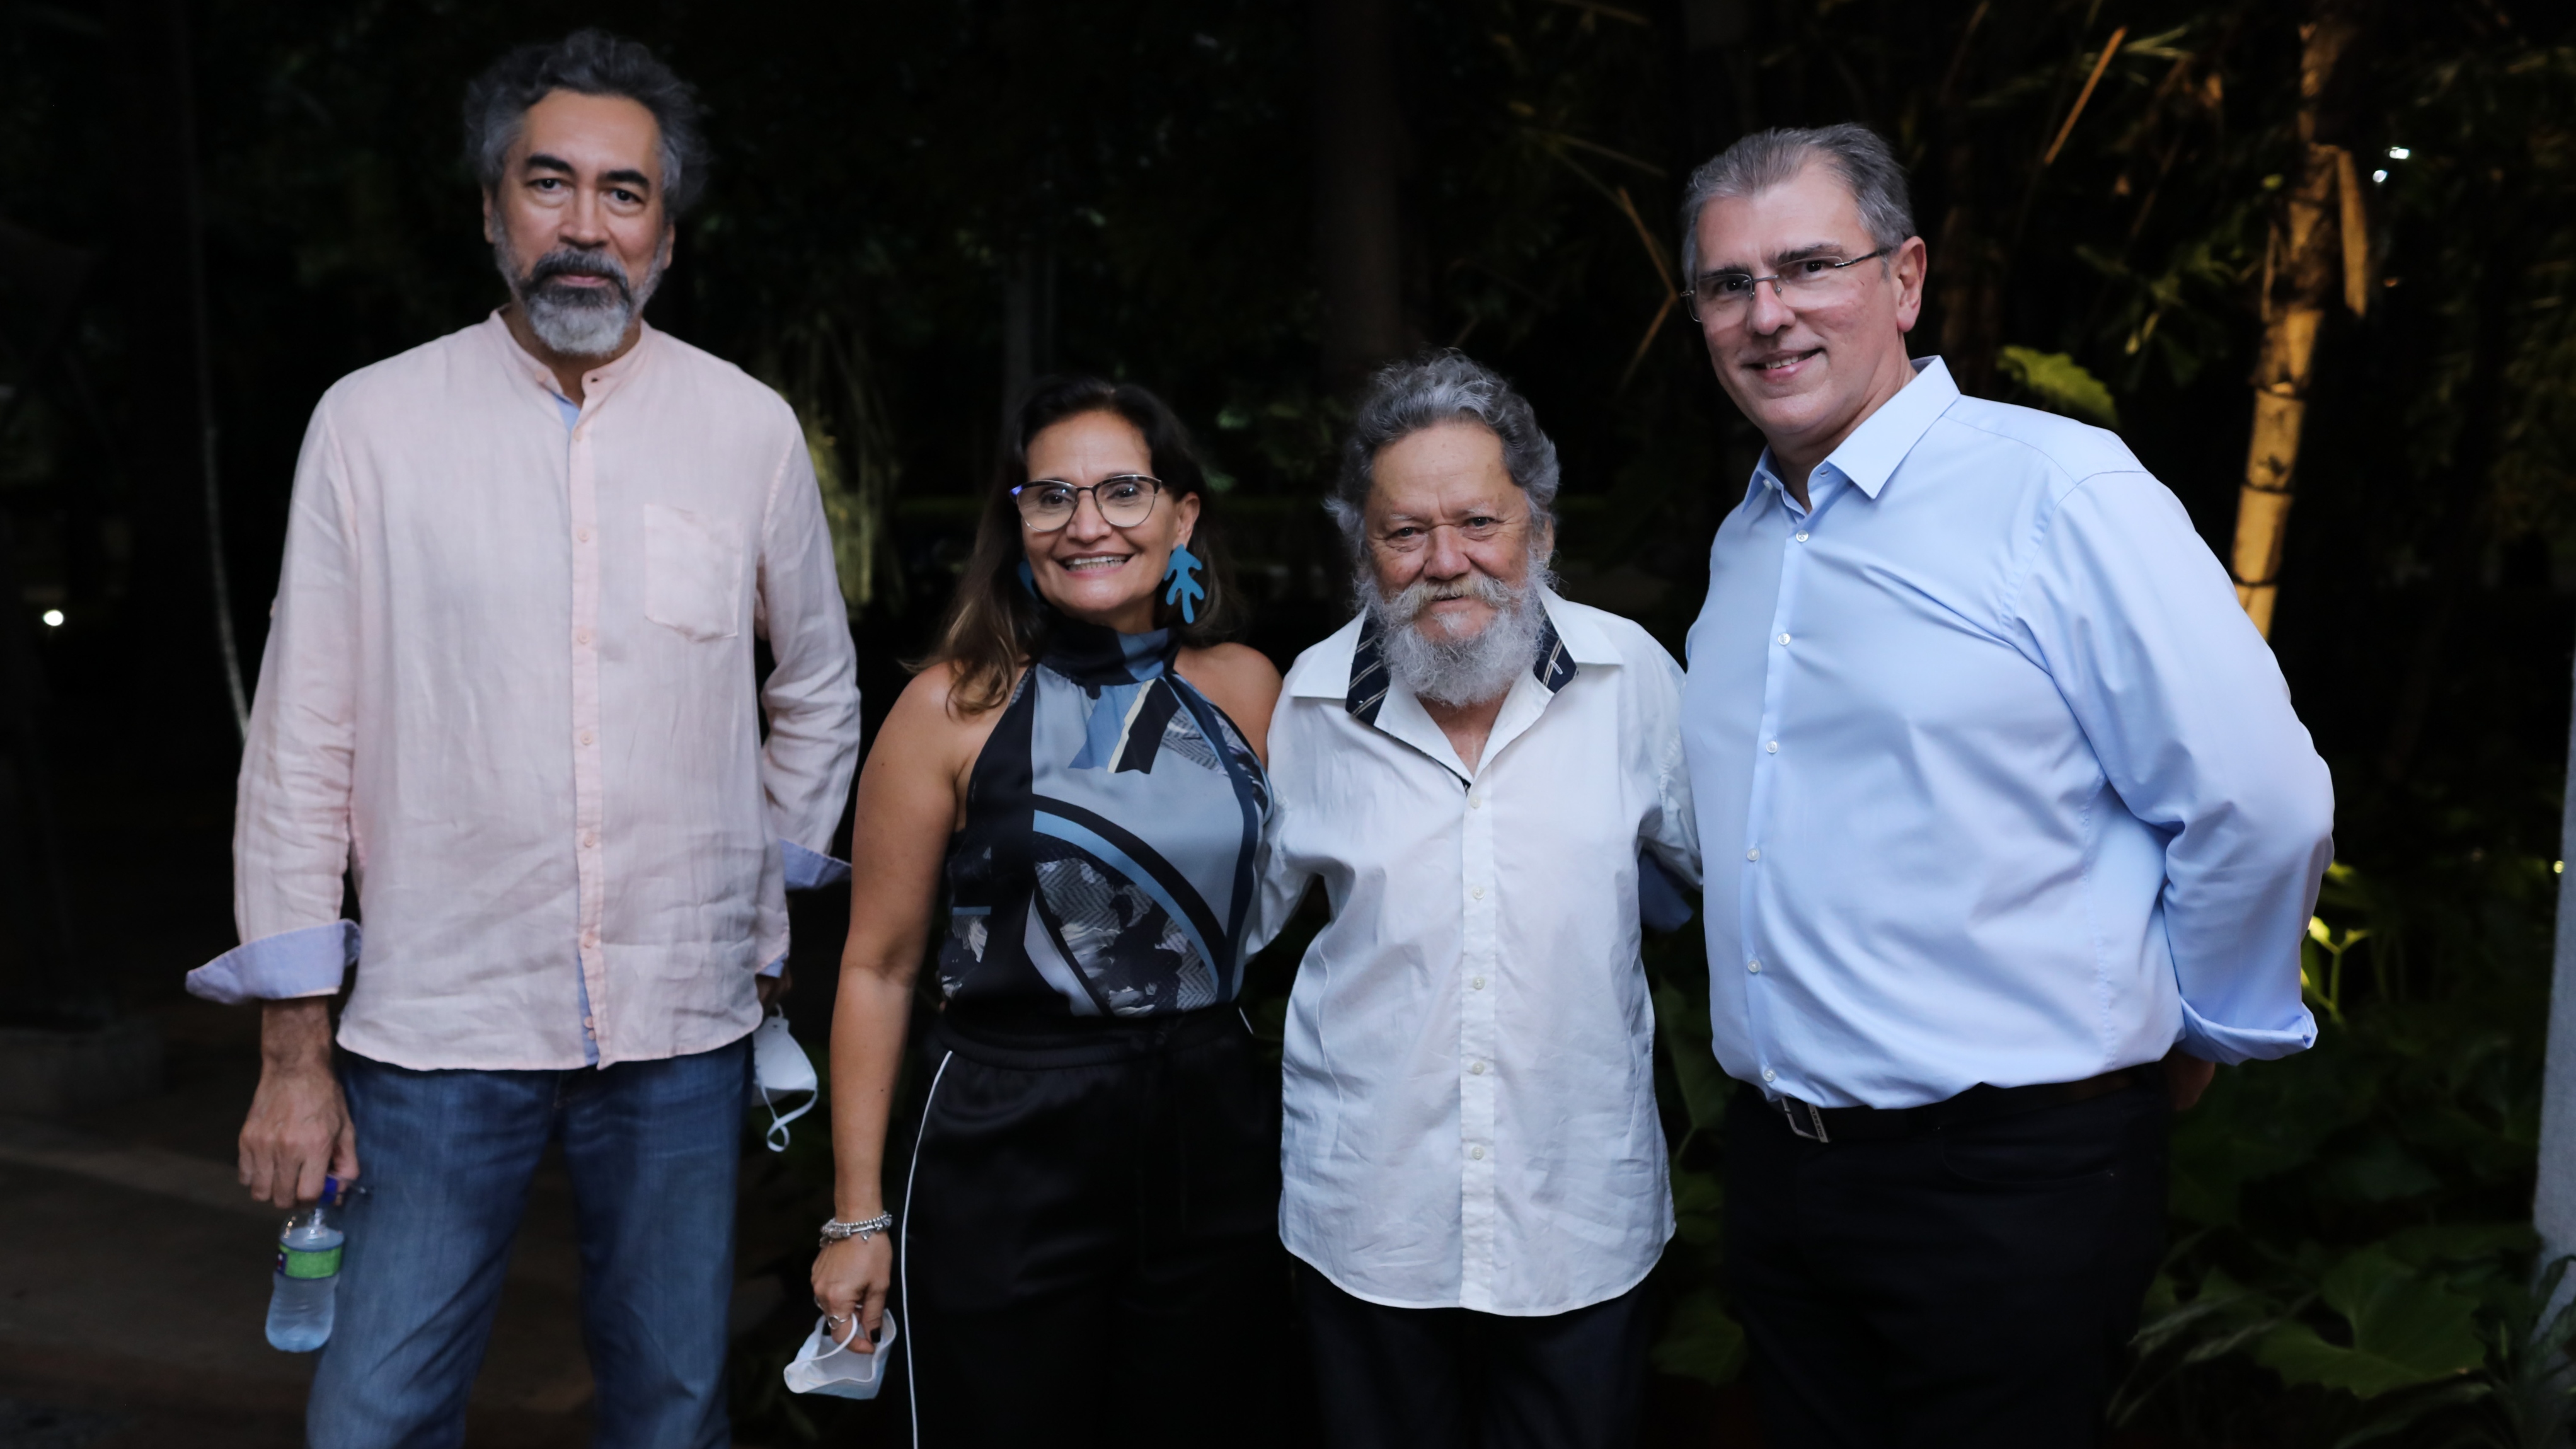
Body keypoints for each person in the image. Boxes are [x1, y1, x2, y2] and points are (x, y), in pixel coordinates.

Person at [187, 30, 861, 1448]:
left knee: (671, 1409)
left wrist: (759, 896)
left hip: (683, 1025)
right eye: (547, 185)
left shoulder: (744, 428)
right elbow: (302, 738)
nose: (583, 225)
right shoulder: (370, 423)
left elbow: (814, 683)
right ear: (492, 211)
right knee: (373, 1416)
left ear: (666, 235)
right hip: (439, 1024)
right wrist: (293, 1052)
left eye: (624, 195)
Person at [1674, 122, 2335, 1445]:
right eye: (1728, 284)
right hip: (1788, 1178)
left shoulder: (2059, 490)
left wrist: (2206, 1027)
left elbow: (2258, 800)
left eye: (1810, 266)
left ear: (1905, 280)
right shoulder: (1747, 537)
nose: (1769, 314)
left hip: (2009, 1185)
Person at [810, 376, 1285, 1448]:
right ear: (1017, 522)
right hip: (1003, 1131)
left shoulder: (1250, 689)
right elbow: (875, 968)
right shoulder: (949, 707)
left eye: (1125, 491)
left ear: (1183, 515)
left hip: (1209, 1126)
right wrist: (855, 1215)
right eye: (1052, 497)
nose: (1089, 525)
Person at [1254, 352, 1701, 1449]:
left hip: (1579, 1211)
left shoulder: (1631, 677)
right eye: (1405, 532)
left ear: (1538, 529)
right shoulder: (1309, 703)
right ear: (1364, 548)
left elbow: (1733, 889)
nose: (1445, 563)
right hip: (1368, 1219)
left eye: (1478, 523)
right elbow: (1234, 932)